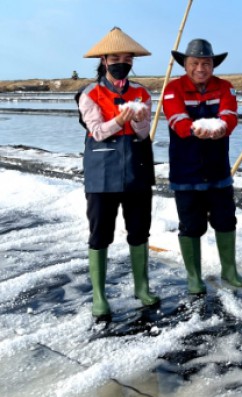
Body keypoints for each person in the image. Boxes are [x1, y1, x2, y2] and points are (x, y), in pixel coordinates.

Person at [77, 27, 160, 321]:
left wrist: (137, 120)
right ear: (103, 59)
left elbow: (142, 133)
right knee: (100, 233)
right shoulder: (89, 93)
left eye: (127, 57)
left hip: (136, 170)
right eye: (115, 57)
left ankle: (142, 286)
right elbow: (97, 132)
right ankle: (99, 296)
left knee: (139, 230)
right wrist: (119, 119)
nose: (121, 61)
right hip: (102, 173)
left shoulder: (142, 93)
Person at [162, 39, 242, 295]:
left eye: (206, 63)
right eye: (195, 63)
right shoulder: (173, 88)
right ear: (185, 64)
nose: (200, 68)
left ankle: (229, 270)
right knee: (191, 225)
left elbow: (230, 116)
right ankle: (193, 276)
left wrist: (221, 127)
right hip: (185, 170)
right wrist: (194, 128)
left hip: (217, 169)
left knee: (225, 220)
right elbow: (176, 118)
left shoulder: (225, 87)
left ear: (213, 65)